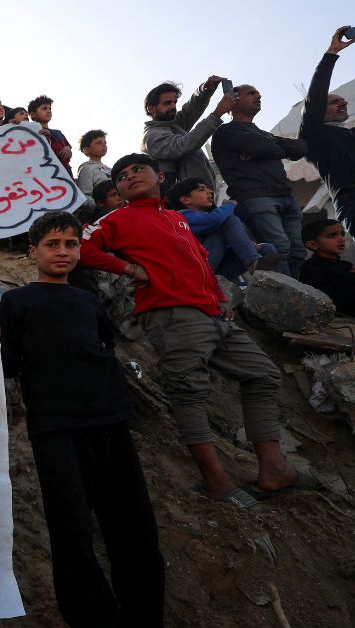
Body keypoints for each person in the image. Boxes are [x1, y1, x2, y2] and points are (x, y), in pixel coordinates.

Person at [80, 153, 317, 509]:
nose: (129, 177)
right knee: (189, 391)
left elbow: (199, 260)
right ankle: (216, 481)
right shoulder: (117, 218)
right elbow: (81, 246)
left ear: (160, 177)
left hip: (213, 313)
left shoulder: (177, 218)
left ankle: (274, 470)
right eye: (121, 176)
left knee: (263, 374)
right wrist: (128, 268)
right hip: (170, 314)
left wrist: (221, 297)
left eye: (137, 170)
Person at [0, 211, 177, 628]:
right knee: (73, 531)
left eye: (71, 244)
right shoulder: (16, 303)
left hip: (111, 422)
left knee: (135, 528)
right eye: (53, 244)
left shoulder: (87, 301)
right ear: (32, 250)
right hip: (55, 428)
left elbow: (102, 349)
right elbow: (8, 365)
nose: (63, 252)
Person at [211, 84, 309, 277]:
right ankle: (282, 299)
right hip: (256, 197)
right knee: (279, 249)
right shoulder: (226, 132)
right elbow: (265, 148)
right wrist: (275, 149)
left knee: (297, 251)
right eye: (251, 93)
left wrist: (266, 149)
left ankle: (303, 296)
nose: (259, 95)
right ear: (233, 100)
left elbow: (300, 148)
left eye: (257, 92)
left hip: (286, 197)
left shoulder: (263, 134)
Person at [300, 26, 355, 256]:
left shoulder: (353, 136)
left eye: (343, 100)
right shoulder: (314, 135)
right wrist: (331, 54)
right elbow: (315, 96)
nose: (343, 103)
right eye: (335, 101)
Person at [164, 178, 275, 282]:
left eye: (209, 189)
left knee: (266, 249)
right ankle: (252, 262)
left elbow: (217, 246)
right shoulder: (181, 216)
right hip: (197, 270)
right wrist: (229, 205)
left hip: (216, 267)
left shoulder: (208, 218)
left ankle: (265, 284)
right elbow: (214, 220)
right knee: (227, 218)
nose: (210, 192)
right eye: (202, 190)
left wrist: (245, 245)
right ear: (185, 199)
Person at [141, 78, 235, 189]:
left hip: (201, 195)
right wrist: (217, 114)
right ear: (150, 109)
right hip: (184, 200)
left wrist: (205, 89)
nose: (173, 106)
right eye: (167, 103)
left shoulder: (174, 124)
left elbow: (191, 109)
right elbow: (183, 146)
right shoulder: (151, 136)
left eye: (174, 102)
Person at [298, 218, 355, 317]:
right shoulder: (310, 268)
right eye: (332, 235)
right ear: (313, 244)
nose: (341, 239)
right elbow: (327, 295)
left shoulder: (345, 265)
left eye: (342, 234)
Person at [29, 95, 71, 169]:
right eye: (44, 108)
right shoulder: (31, 132)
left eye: (50, 108)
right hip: (46, 171)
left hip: (64, 170)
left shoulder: (58, 132)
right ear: (33, 115)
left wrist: (67, 148)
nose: (48, 111)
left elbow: (68, 148)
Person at [76, 130, 111, 202]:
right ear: (86, 150)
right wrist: (98, 207)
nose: (104, 145)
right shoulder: (86, 169)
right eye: (99, 143)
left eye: (105, 142)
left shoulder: (110, 169)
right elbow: (85, 196)